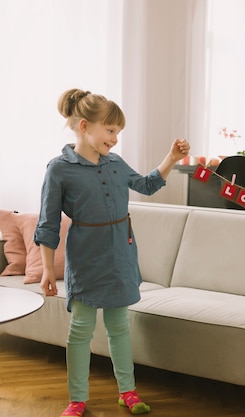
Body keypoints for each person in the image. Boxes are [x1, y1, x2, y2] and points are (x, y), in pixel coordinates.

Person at [36, 88, 190, 417]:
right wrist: (48, 269)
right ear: (84, 126)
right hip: (86, 259)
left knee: (119, 326)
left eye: (118, 132)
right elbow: (47, 224)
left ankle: (128, 391)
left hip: (121, 255)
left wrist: (171, 159)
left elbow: (147, 185)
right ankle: (77, 398)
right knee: (81, 330)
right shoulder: (59, 169)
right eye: (110, 130)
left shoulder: (116, 164)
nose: (115, 139)